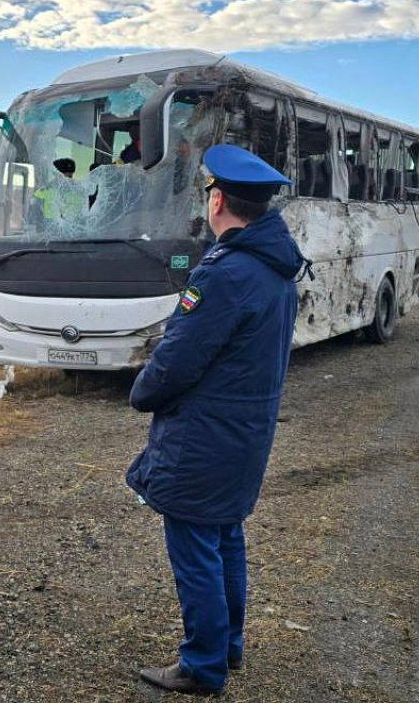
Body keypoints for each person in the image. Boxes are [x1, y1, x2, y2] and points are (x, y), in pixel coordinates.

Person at [126, 144, 305, 696]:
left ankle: (202, 665)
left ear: (219, 199)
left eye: (209, 193)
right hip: (244, 435)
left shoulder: (225, 273)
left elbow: (177, 358)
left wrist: (141, 392)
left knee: (197, 552)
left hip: (203, 439)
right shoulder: (276, 271)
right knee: (225, 540)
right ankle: (226, 648)